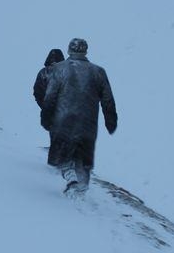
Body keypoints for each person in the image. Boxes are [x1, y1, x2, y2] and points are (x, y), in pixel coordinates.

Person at [41, 38, 117, 196]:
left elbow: (50, 97)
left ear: (69, 50)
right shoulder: (98, 72)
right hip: (88, 123)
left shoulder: (59, 69)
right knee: (83, 157)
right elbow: (108, 100)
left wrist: (46, 118)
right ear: (85, 51)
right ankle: (81, 188)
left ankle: (70, 178)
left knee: (64, 155)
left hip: (63, 121)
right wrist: (111, 121)